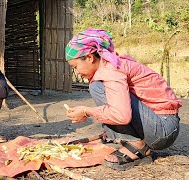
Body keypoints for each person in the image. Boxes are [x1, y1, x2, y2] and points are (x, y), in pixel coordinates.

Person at [64, 28, 182, 170]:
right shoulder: (112, 65)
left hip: (162, 130)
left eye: (75, 66)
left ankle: (136, 146)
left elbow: (121, 115)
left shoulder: (111, 70)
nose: (76, 72)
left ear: (89, 57)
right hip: (161, 125)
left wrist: (86, 111)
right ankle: (131, 139)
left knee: (97, 87)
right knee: (98, 87)